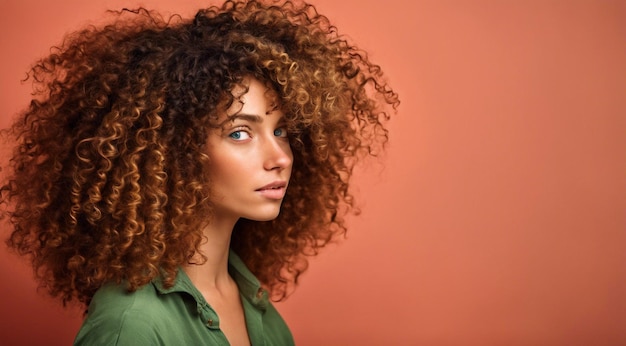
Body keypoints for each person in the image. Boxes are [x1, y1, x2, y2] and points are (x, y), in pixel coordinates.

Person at [0, 0, 398, 344]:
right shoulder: (132, 327)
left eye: (280, 130)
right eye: (240, 133)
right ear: (176, 152)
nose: (280, 156)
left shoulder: (251, 301)